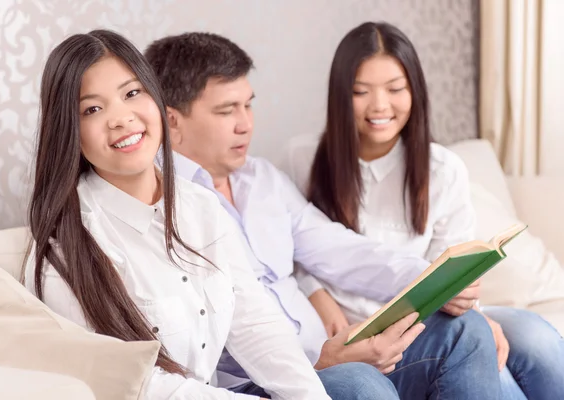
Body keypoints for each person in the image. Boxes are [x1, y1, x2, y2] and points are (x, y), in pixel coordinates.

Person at [145, 32, 502, 400]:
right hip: (265, 384)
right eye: (226, 110)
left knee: (467, 330)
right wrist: (318, 366)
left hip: (331, 356)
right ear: (172, 121)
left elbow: (339, 249)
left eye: (248, 105)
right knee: (361, 384)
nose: (246, 124)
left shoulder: (262, 178)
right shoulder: (161, 200)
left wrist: (433, 279)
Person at [23, 28, 345, 400]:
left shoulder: (201, 206)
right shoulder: (64, 251)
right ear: (70, 131)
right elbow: (140, 385)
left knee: (354, 385)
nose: (121, 118)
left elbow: (255, 323)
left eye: (131, 93)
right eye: (92, 109)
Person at [282, 21, 564, 400]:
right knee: (502, 381)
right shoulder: (302, 159)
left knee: (537, 337)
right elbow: (285, 251)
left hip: (425, 319)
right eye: (361, 91)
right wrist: (318, 295)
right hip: (361, 332)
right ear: (339, 95)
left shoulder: (442, 169)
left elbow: (449, 270)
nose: (380, 106)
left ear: (415, 90)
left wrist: (473, 310)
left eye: (395, 89)